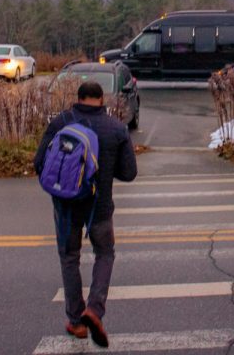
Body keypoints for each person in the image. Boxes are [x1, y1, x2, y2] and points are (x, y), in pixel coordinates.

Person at [35, 80, 138, 348]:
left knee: (70, 258)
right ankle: (94, 309)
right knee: (105, 253)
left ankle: (77, 322)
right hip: (100, 208)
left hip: (66, 206)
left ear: (78, 98)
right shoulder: (116, 129)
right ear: (102, 100)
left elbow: (39, 163)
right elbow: (129, 173)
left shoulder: (61, 122)